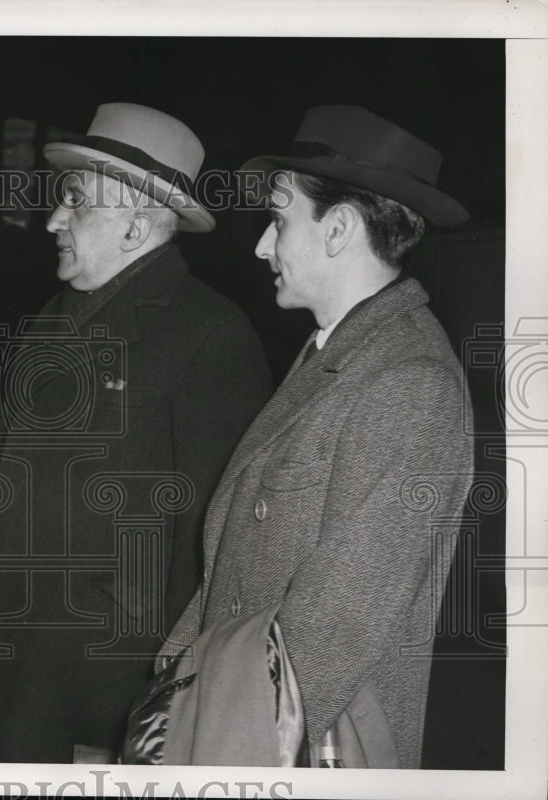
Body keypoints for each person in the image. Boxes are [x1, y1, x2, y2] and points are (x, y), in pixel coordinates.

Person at [0, 103, 272, 763]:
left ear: (135, 225)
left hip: (91, 686)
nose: (52, 220)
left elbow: (212, 547)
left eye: (75, 204)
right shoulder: (55, 315)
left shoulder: (211, 337)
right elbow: (3, 450)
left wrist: (141, 715)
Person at [143, 105, 474, 769]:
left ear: (340, 230)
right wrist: (167, 695)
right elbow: (228, 572)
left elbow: (331, 634)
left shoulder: (411, 384)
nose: (262, 246)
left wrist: (203, 747)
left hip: (301, 751)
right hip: (233, 717)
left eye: (278, 220)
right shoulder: (333, 352)